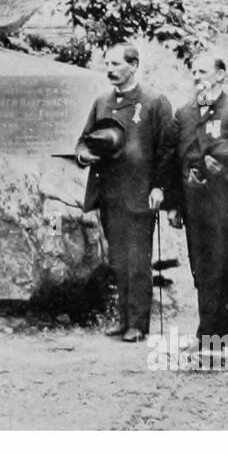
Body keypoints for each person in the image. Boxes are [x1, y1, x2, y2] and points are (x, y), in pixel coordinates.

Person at [76, 43, 175, 341]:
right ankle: (123, 319)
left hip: (141, 194)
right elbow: (82, 142)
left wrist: (160, 187)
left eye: (117, 64)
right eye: (107, 64)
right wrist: (84, 156)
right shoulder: (102, 102)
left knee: (138, 261)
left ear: (134, 66)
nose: (110, 70)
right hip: (110, 194)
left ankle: (138, 324)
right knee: (118, 260)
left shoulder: (155, 102)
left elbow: (168, 150)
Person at [169, 54, 228, 346]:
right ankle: (208, 333)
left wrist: (226, 170)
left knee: (225, 270)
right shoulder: (184, 113)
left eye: (204, 71)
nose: (198, 76)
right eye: (193, 71)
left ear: (221, 75)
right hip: (193, 206)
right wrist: (174, 204)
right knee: (201, 271)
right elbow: (175, 162)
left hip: (226, 206)